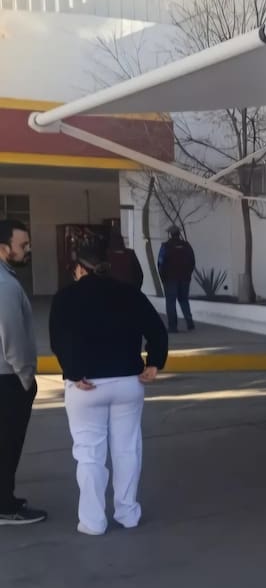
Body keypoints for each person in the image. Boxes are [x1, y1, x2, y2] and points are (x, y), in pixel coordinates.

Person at [50, 242, 168, 536]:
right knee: (127, 450)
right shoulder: (130, 293)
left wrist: (73, 371)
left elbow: (59, 340)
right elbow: (156, 330)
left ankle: (93, 521)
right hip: (128, 382)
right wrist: (154, 363)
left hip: (86, 386)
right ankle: (128, 513)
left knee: (89, 454)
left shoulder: (66, 297)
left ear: (80, 268)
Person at [0, 220, 48, 526]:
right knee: (7, 445)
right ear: (3, 248)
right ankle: (5, 507)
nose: (28, 249)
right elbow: (12, 337)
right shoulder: (5, 285)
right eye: (23, 245)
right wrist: (26, 376)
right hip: (8, 379)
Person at [157, 226, 195, 333]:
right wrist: (188, 274)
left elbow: (160, 262)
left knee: (171, 302)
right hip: (184, 278)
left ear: (170, 234)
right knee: (184, 300)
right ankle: (190, 323)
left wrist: (163, 277)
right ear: (179, 234)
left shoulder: (165, 246)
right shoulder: (187, 246)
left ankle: (173, 326)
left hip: (170, 279)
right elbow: (192, 261)